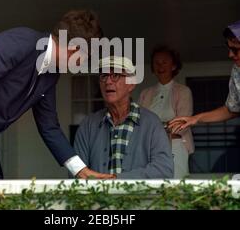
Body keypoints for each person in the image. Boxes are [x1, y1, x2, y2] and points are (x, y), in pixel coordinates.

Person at [0, 9, 115, 180]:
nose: (83, 63)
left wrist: (81, 170)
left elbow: (49, 126)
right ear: (75, 49)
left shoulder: (51, 74)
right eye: (87, 57)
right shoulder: (20, 41)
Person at [74, 56, 174, 179]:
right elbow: (76, 172)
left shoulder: (151, 123)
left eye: (115, 75)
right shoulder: (88, 125)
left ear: (131, 84)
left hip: (138, 198)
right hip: (97, 198)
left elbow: (164, 169)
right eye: (104, 76)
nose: (108, 82)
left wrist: (117, 179)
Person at [169, 20, 240, 134]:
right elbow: (232, 109)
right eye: (229, 48)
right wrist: (195, 118)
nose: (230, 54)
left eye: (235, 50)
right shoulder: (237, 71)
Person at [139, 45, 194, 179]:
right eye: (156, 63)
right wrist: (165, 126)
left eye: (164, 62)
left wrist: (154, 128)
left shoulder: (183, 91)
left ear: (174, 66)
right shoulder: (145, 93)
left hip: (176, 145)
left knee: (176, 185)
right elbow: (139, 122)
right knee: (152, 184)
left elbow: (181, 124)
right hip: (149, 147)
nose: (160, 66)